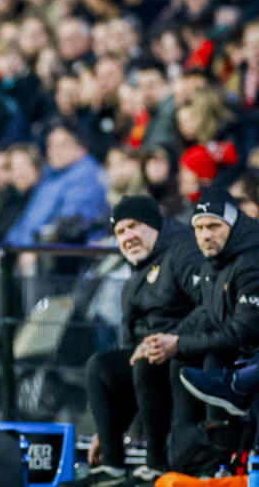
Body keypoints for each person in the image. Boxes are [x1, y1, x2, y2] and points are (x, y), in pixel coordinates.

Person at [60, 196, 202, 487]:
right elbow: (130, 338)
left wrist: (172, 338)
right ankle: (111, 465)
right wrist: (109, 427)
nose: (127, 237)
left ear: (153, 224)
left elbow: (208, 307)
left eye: (133, 226)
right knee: (101, 366)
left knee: (147, 361)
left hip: (188, 350)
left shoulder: (184, 252)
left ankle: (156, 465)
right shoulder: (136, 272)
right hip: (152, 355)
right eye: (120, 232)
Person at [143, 190, 259, 434]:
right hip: (242, 349)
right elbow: (207, 310)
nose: (206, 235)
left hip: (248, 350)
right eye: (200, 228)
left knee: (214, 356)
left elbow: (244, 329)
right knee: (172, 361)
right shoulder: (215, 261)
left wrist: (180, 343)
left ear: (232, 225)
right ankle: (181, 455)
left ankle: (220, 451)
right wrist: (168, 339)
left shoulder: (250, 262)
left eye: (214, 226)